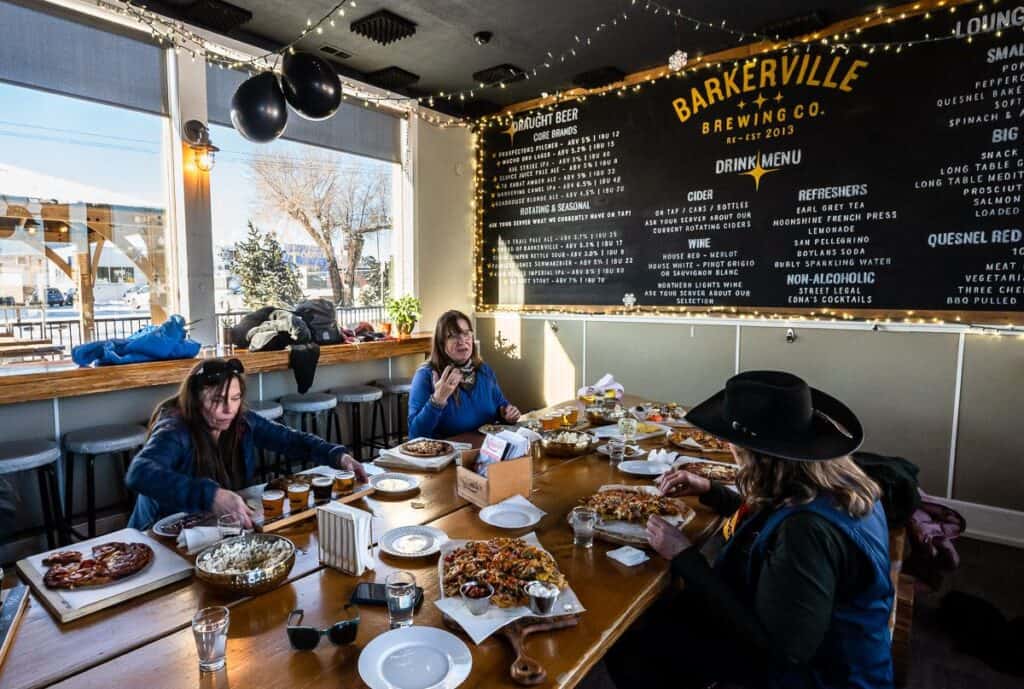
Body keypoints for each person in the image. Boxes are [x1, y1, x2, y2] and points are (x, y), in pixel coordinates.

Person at [610, 370, 893, 689]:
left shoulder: (806, 531)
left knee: (632, 646)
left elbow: (780, 650)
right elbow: (770, 532)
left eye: (733, 445)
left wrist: (684, 555)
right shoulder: (838, 486)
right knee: (663, 618)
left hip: (818, 676)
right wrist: (712, 490)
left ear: (755, 456)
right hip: (834, 650)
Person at [126, 357, 366, 530]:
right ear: (196, 398)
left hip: (210, 527)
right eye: (217, 400)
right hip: (159, 532)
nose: (228, 409)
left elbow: (290, 439)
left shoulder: (242, 421)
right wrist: (212, 496)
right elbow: (140, 473)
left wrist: (337, 456)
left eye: (235, 398)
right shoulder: (175, 426)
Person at [408, 310, 520, 439]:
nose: (462, 341)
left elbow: (502, 407)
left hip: (485, 451)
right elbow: (415, 436)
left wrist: (508, 415)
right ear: (441, 343)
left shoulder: (484, 370)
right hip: (445, 455)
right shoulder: (425, 375)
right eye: (453, 336)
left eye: (466, 334)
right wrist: (437, 400)